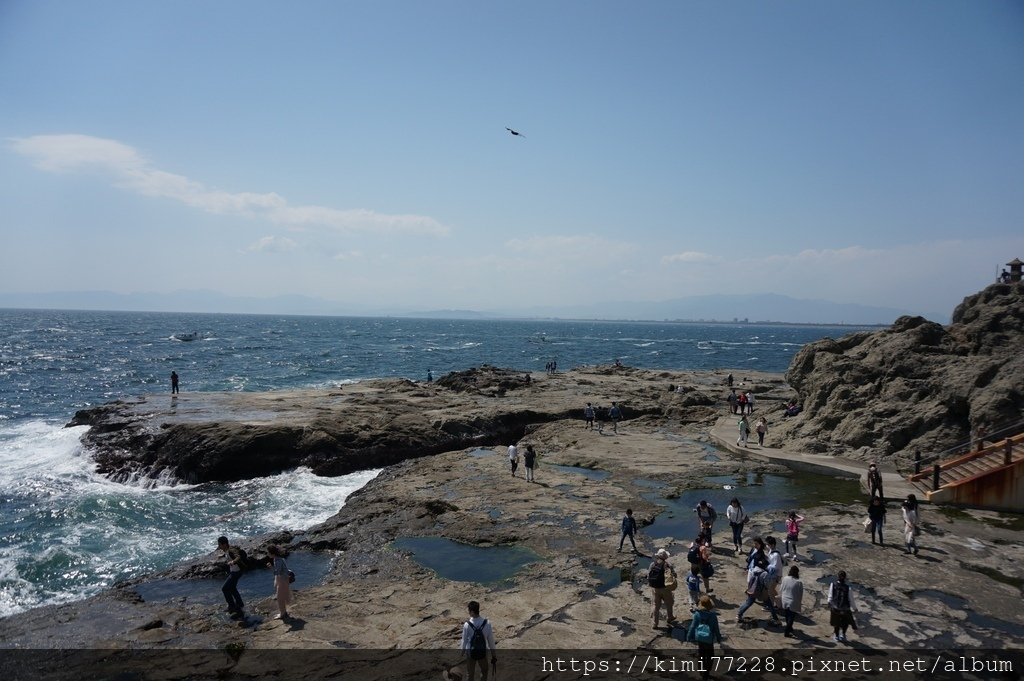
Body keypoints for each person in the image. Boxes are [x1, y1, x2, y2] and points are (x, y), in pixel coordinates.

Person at [458, 600, 497, 681]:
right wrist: (493, 655)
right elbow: (491, 641)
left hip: (470, 653)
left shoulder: (467, 625)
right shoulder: (487, 623)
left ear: (472, 611)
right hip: (482, 652)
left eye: (469, 611)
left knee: (470, 673)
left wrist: (461, 653)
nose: (468, 612)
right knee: (484, 671)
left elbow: (464, 641)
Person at [686, 595, 723, 681]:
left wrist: (689, 636)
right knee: (710, 656)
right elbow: (716, 628)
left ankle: (700, 670)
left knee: (701, 654)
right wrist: (719, 638)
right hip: (709, 639)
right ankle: (706, 672)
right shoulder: (713, 616)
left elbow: (692, 626)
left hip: (699, 638)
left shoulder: (697, 614)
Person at [216, 536, 246, 617]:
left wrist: (233, 561)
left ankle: (232, 606)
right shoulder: (227, 550)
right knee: (232, 588)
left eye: (220, 545)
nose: (219, 547)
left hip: (236, 572)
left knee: (224, 589)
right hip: (236, 571)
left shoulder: (231, 550)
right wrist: (222, 556)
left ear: (224, 544)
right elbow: (227, 554)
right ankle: (240, 605)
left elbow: (238, 557)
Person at [647, 548, 676, 630]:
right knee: (669, 603)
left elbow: (649, 575)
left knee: (656, 606)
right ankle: (670, 617)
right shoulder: (667, 565)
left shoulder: (653, 564)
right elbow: (674, 575)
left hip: (655, 588)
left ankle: (654, 624)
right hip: (665, 588)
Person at [828, 570, 857, 642]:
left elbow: (830, 597)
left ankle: (836, 636)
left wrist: (830, 604)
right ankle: (843, 635)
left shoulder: (833, 584)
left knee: (836, 622)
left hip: (835, 608)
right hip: (845, 609)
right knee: (845, 622)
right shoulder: (848, 588)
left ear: (837, 576)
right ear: (845, 578)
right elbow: (851, 600)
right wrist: (855, 608)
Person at [266, 545, 292, 620]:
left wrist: (270, 567)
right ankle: (284, 612)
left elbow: (277, 572)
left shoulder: (277, 561)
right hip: (283, 579)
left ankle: (283, 614)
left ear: (272, 553)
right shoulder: (278, 559)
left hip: (283, 580)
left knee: (280, 598)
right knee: (282, 597)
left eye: (268, 553)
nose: (267, 554)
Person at [779, 565, 804, 638]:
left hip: (785, 599)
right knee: (791, 617)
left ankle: (789, 628)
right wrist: (799, 602)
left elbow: (781, 589)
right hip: (793, 601)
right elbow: (800, 594)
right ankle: (787, 631)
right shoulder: (799, 582)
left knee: (787, 615)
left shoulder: (785, 578)